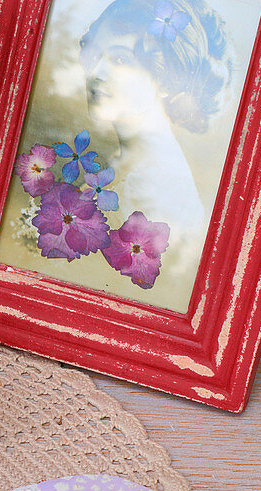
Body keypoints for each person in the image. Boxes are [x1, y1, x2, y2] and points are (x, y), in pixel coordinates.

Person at [77, 0, 234, 290]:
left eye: (121, 60)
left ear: (166, 80)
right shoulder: (136, 157)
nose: (96, 72)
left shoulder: (151, 185)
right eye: (95, 55)